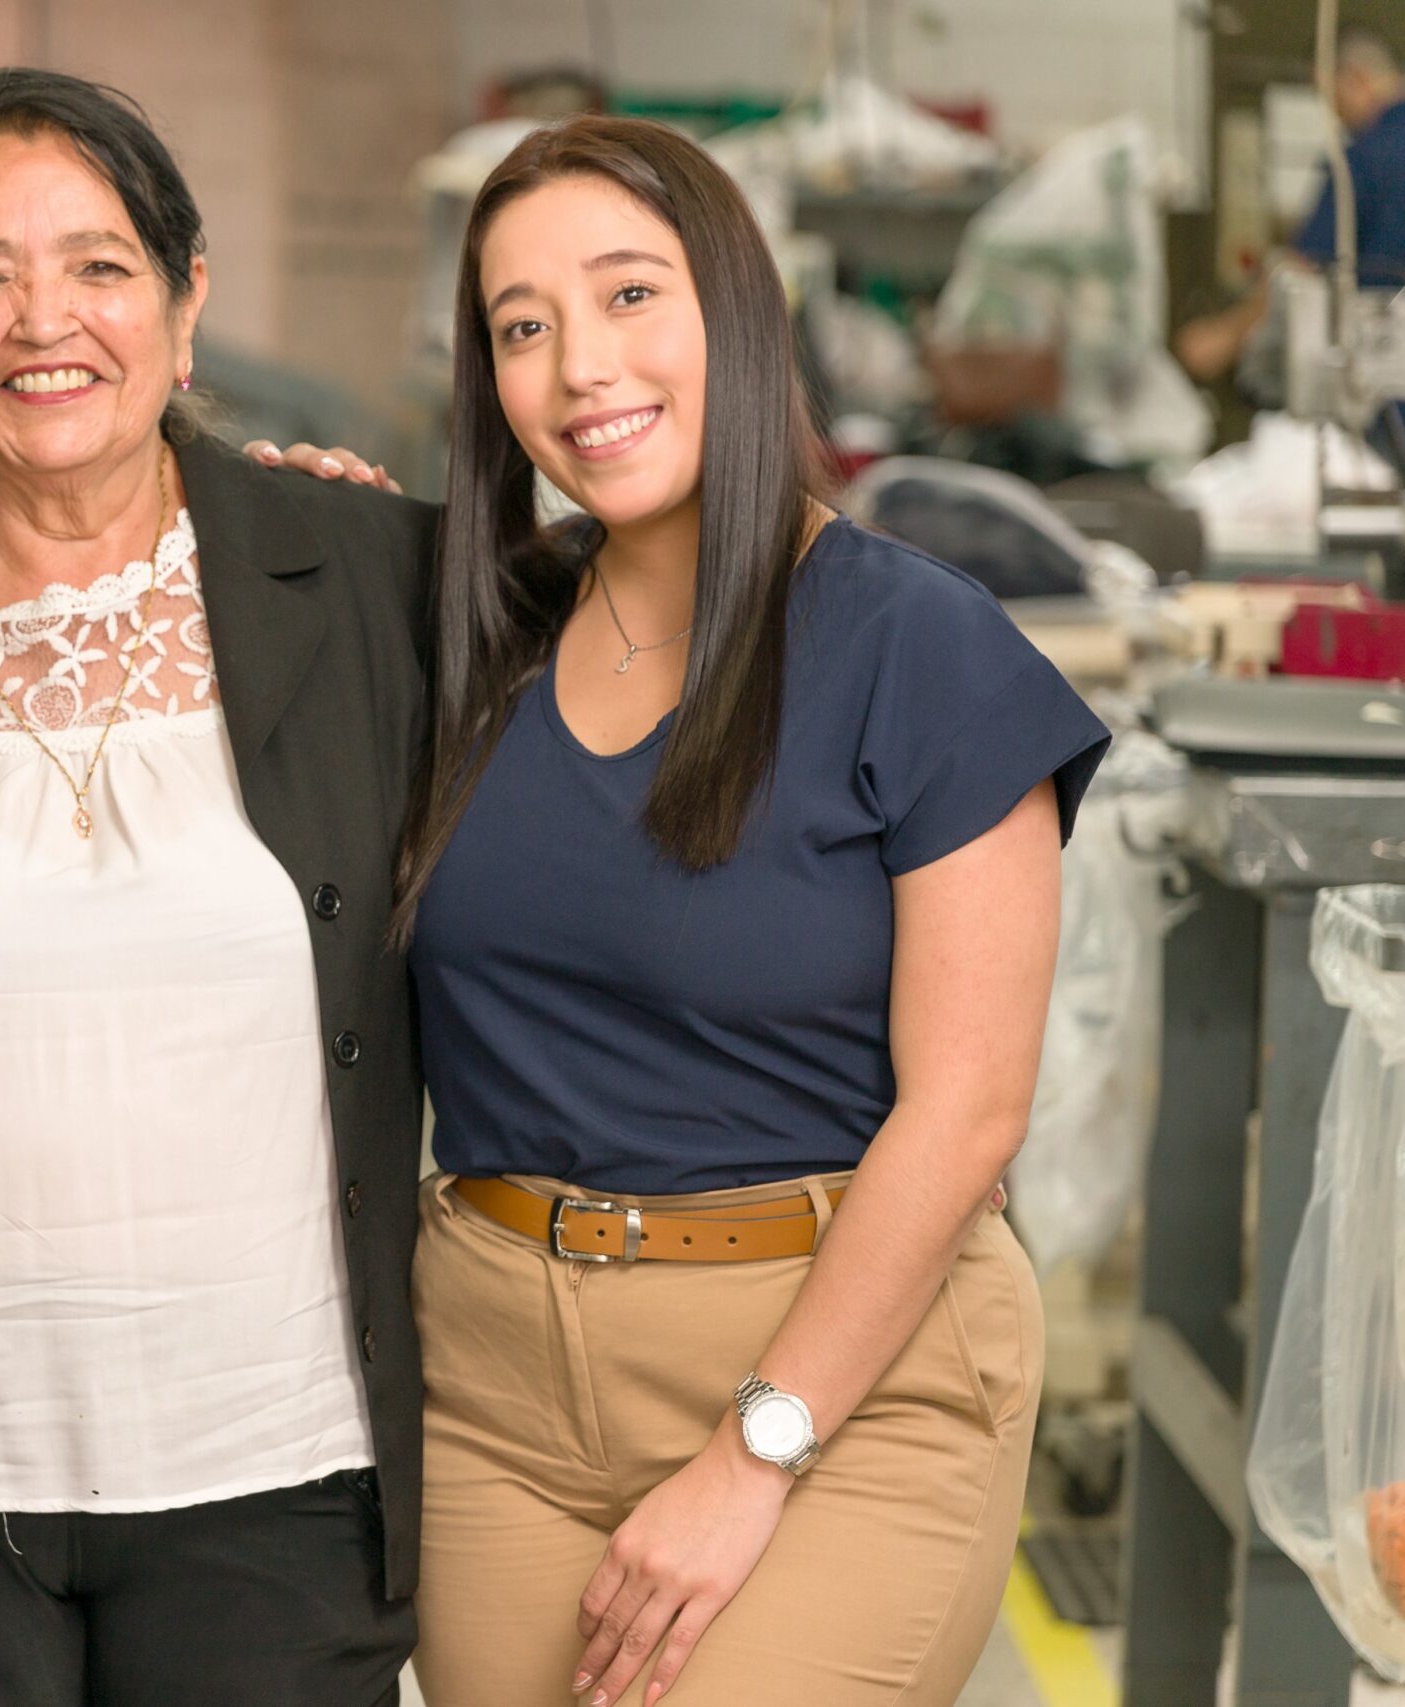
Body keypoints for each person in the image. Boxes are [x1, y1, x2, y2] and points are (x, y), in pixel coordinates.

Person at [0, 67, 432, 1706]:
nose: (45, 321)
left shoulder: (367, 582)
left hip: (282, 1472)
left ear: (187, 309)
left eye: (100, 267)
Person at [399, 117, 1108, 1706]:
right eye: (523, 326)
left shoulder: (916, 644)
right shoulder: (477, 638)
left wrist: (755, 1445)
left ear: (738, 306)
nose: (583, 364)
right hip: (496, 1384)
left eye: (631, 293)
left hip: (834, 1373)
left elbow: (974, 1103)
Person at [1178, 23, 1405, 382]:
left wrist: (1225, 336)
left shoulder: (1364, 159)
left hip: (1388, 377)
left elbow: (1300, 268)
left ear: (1357, 80)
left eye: (1331, 98)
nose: (1334, 116)